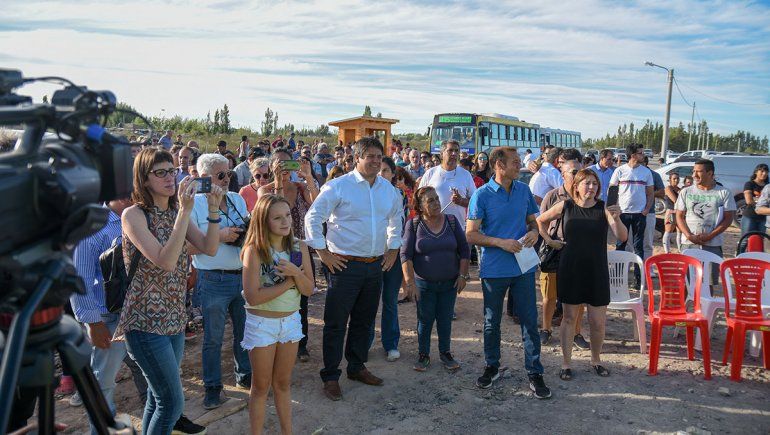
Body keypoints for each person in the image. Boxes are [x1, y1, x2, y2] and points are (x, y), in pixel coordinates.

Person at [115, 148, 222, 434]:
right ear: (144, 179)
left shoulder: (176, 212)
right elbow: (164, 261)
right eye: (159, 172)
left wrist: (212, 209)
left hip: (174, 318)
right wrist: (184, 213)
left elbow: (209, 248)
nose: (169, 178)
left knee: (157, 397)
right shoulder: (133, 215)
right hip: (144, 322)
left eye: (171, 171)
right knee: (171, 404)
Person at [304, 136, 403, 401]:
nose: (374, 160)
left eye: (378, 156)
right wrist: (322, 252)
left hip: (374, 265)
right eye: (369, 155)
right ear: (356, 158)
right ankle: (331, 376)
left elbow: (397, 218)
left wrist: (393, 249)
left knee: (364, 321)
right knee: (336, 323)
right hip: (343, 266)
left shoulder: (387, 189)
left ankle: (356, 367)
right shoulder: (338, 187)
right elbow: (313, 217)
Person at [71, 198, 162, 435]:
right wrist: (92, 322)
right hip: (108, 318)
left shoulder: (145, 215)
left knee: (153, 373)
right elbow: (79, 279)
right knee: (104, 383)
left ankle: (156, 425)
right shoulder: (92, 226)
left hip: (142, 312)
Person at [466, 147, 551, 399]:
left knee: (528, 320)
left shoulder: (523, 190)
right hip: (494, 269)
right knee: (492, 322)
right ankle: (492, 366)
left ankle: (534, 371)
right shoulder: (481, 195)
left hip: (523, 267)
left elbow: (532, 221)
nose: (520, 166)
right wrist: (501, 242)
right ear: (498, 166)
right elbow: (470, 235)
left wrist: (535, 232)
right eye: (515, 163)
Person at [536, 169, 627, 380]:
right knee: (568, 318)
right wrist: (550, 242)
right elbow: (540, 221)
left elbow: (622, 236)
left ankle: (596, 360)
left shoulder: (603, 208)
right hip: (571, 268)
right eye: (587, 183)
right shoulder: (566, 206)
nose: (591, 187)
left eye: (595, 184)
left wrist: (617, 218)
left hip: (597, 270)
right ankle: (566, 363)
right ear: (576, 186)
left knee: (597, 322)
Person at [241, 194, 314, 435]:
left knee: (283, 384)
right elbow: (253, 297)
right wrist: (290, 281)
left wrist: (295, 273)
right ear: (263, 221)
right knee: (260, 386)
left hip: (291, 323)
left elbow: (308, 289)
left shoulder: (296, 247)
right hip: (261, 324)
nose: (285, 222)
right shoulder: (255, 250)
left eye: (287, 216)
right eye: (277, 217)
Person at [191, 153, 253, 409]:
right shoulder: (193, 204)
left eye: (229, 173)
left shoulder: (237, 198)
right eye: (220, 175)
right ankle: (213, 387)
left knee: (245, 333)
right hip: (212, 279)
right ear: (204, 177)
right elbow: (188, 247)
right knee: (213, 338)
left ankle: (245, 376)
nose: (227, 179)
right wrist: (220, 236)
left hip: (242, 275)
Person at [259, 149, 319, 361]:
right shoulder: (265, 190)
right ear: (272, 165)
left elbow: (317, 203)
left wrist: (309, 176)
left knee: (302, 298)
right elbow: (274, 206)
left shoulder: (301, 187)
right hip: (273, 252)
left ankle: (300, 343)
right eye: (280, 164)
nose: (285, 168)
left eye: (288, 164)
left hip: (297, 248)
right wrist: (277, 181)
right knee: (275, 294)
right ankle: (272, 340)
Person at [402, 186, 470, 372]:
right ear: (421, 206)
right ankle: (423, 355)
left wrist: (463, 275)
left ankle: (445, 353)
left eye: (437, 199)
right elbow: (405, 255)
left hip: (449, 283)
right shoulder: (414, 224)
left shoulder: (451, 221)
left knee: (445, 319)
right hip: (424, 284)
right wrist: (410, 283)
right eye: (430, 200)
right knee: (425, 320)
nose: (436, 203)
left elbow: (464, 250)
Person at [537, 159, 589, 348]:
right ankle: (546, 329)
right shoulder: (552, 196)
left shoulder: (586, 197)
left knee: (578, 297)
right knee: (549, 296)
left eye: (580, 172)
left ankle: (576, 333)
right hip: (555, 252)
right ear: (563, 175)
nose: (578, 176)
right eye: (574, 172)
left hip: (578, 254)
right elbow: (539, 222)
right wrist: (550, 241)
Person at [367, 157, 406, 362]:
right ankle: (365, 342)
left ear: (392, 174)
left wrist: (394, 252)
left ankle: (391, 343)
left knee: (390, 300)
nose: (381, 174)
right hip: (371, 255)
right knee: (369, 301)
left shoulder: (397, 195)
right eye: (378, 170)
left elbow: (399, 226)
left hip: (392, 255)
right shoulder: (366, 193)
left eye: (385, 171)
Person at [609, 143, 653, 285]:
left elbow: (650, 193)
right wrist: (613, 211)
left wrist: (646, 209)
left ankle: (638, 279)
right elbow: (612, 191)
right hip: (622, 214)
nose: (643, 155)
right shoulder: (620, 171)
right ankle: (617, 278)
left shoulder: (646, 172)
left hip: (640, 215)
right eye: (640, 153)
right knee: (620, 245)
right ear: (633, 155)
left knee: (638, 246)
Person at [675, 159, 736, 260]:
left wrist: (710, 236)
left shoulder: (724, 192)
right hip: (689, 243)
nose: (694, 175)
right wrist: (689, 236)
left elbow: (728, 219)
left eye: (698, 171)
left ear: (710, 173)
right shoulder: (686, 191)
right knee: (688, 275)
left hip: (713, 245)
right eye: (693, 171)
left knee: (711, 275)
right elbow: (679, 216)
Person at [418, 139, 476, 231]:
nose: (454, 154)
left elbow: (475, 202)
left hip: (458, 229)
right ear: (441, 154)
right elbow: (419, 200)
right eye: (450, 150)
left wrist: (461, 201)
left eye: (456, 151)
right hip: (433, 229)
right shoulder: (430, 173)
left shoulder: (466, 175)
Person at [641, 156, 665, 260]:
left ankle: (647, 268)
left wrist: (649, 193)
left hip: (649, 212)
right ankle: (629, 267)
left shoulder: (654, 175)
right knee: (630, 242)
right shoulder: (631, 173)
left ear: (645, 163)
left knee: (647, 243)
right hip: (631, 213)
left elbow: (662, 192)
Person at [740, 163, 769, 236]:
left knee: (759, 240)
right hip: (750, 216)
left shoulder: (768, 186)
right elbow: (749, 201)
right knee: (745, 240)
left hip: (763, 218)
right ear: (756, 172)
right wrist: (762, 205)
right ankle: (740, 248)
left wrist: (756, 200)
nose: (764, 173)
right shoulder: (749, 184)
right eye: (762, 171)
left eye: (766, 171)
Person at [662, 173, 681, 253]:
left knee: (680, 232)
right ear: (670, 180)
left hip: (678, 212)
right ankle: (667, 251)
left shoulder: (678, 188)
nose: (676, 180)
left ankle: (680, 250)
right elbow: (675, 200)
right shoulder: (668, 188)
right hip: (671, 212)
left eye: (677, 178)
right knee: (668, 232)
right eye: (674, 179)